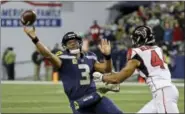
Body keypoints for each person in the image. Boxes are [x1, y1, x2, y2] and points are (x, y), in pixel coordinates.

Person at [23, 26, 122, 114]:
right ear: (65, 46)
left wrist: (108, 56)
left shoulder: (90, 56)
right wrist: (35, 39)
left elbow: (107, 69)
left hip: (95, 98)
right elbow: (47, 54)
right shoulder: (63, 57)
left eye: (75, 42)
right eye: (70, 43)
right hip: (78, 102)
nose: (73, 44)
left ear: (80, 43)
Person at [93, 25, 179, 113]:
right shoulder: (157, 49)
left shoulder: (137, 53)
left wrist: (101, 77)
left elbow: (118, 78)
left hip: (163, 92)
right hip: (165, 92)